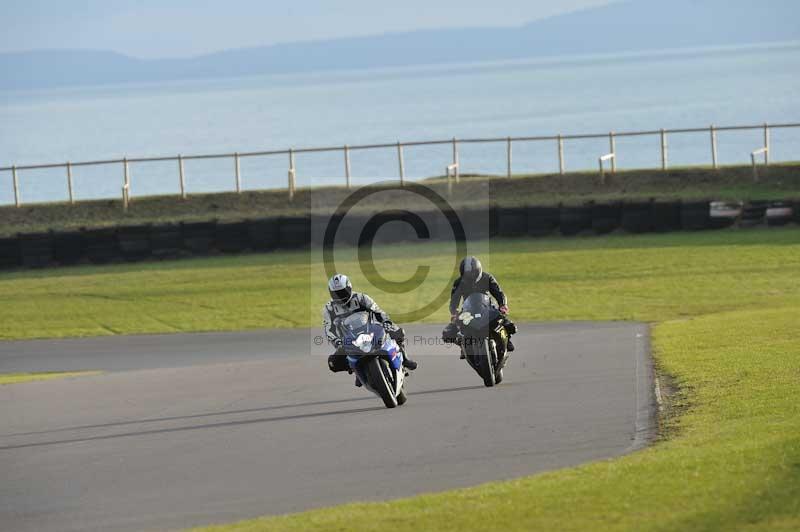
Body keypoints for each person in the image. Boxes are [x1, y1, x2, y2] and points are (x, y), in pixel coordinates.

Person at [323, 274, 417, 385]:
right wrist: (337, 342)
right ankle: (356, 371)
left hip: (370, 329)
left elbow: (377, 311)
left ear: (349, 288)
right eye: (336, 293)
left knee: (397, 331)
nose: (340, 296)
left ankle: (404, 359)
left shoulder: (361, 298)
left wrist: (386, 322)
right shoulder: (329, 309)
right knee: (333, 363)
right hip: (349, 339)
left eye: (342, 292)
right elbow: (329, 329)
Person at [442, 256, 516, 357]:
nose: (471, 275)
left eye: (473, 272)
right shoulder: (458, 283)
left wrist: (503, 304)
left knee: (506, 323)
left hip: (487, 307)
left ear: (479, 270)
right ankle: (463, 345)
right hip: (468, 310)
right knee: (449, 332)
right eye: (468, 274)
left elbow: (498, 292)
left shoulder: (487, 277)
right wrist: (454, 312)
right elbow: (454, 301)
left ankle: (507, 339)